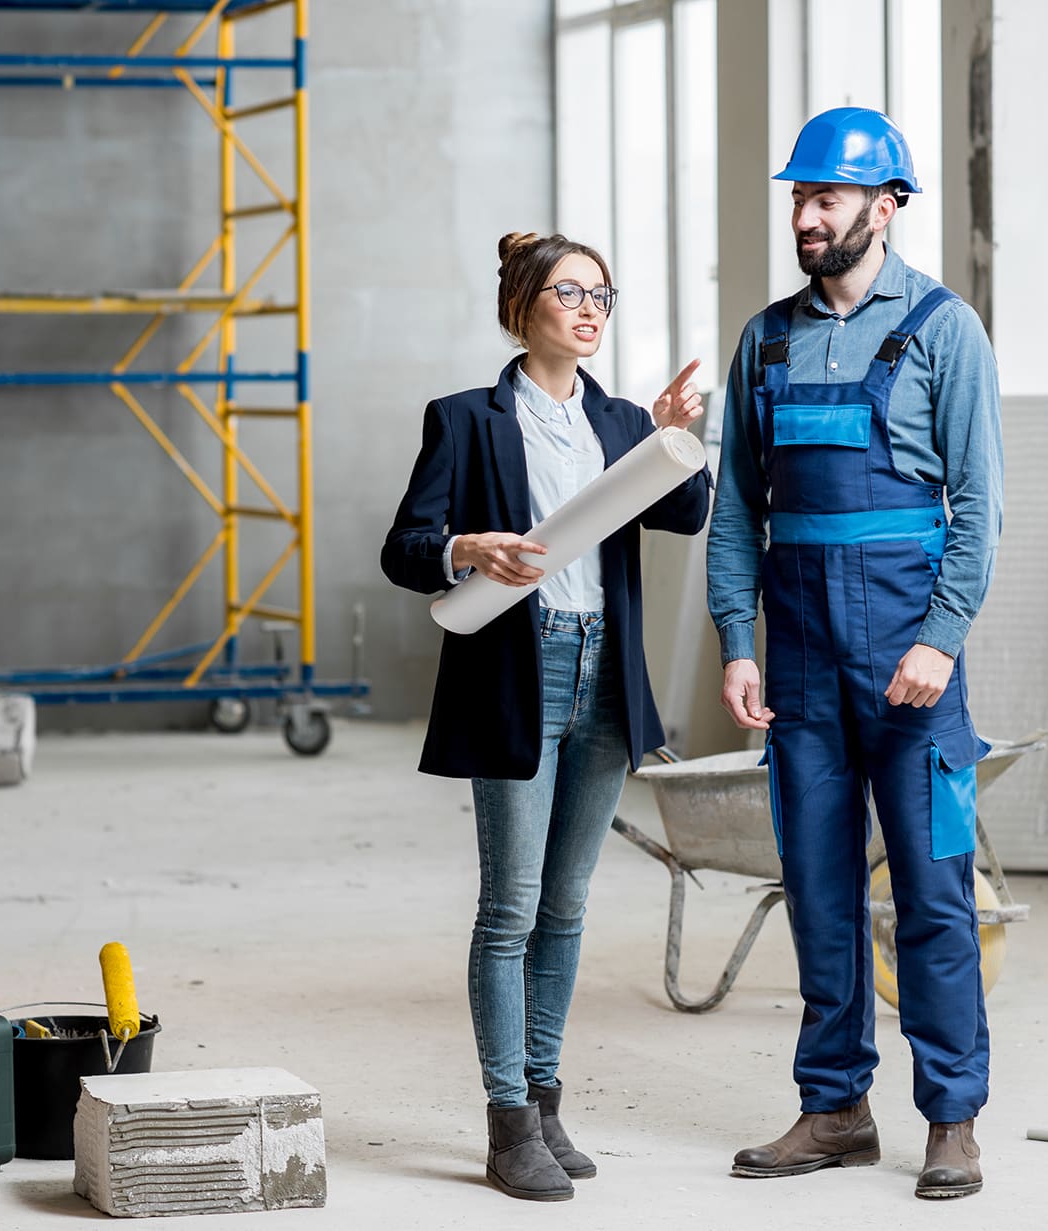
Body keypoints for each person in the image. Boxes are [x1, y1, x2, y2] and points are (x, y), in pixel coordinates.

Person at [706, 107, 1004, 1200]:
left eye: (827, 197)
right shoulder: (767, 340)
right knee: (819, 889)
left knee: (932, 892)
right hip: (798, 662)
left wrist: (941, 638)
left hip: (911, 663)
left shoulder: (941, 328)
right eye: (799, 197)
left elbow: (979, 505)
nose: (807, 215)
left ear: (886, 208)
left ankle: (952, 1116)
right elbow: (739, 510)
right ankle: (833, 1107)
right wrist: (737, 642)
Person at [382, 232, 711, 1203]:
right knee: (510, 909)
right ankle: (506, 1121)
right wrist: (464, 546)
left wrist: (670, 438)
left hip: (607, 673)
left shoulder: (616, 419)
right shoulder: (466, 420)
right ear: (523, 301)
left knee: (566, 909)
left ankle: (547, 1097)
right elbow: (404, 548)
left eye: (602, 294)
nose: (590, 307)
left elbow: (685, 516)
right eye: (570, 291)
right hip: (519, 674)